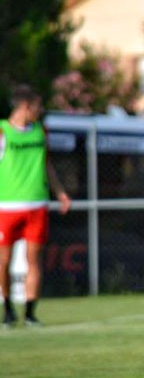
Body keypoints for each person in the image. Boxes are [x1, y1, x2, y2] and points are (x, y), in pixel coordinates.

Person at [0, 84, 71, 328]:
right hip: (7, 206)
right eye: (37, 106)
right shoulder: (2, 131)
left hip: (36, 204)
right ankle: (8, 308)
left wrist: (60, 192)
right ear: (24, 106)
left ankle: (30, 313)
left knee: (34, 259)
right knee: (3, 260)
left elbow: (47, 165)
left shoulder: (41, 132)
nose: (39, 111)